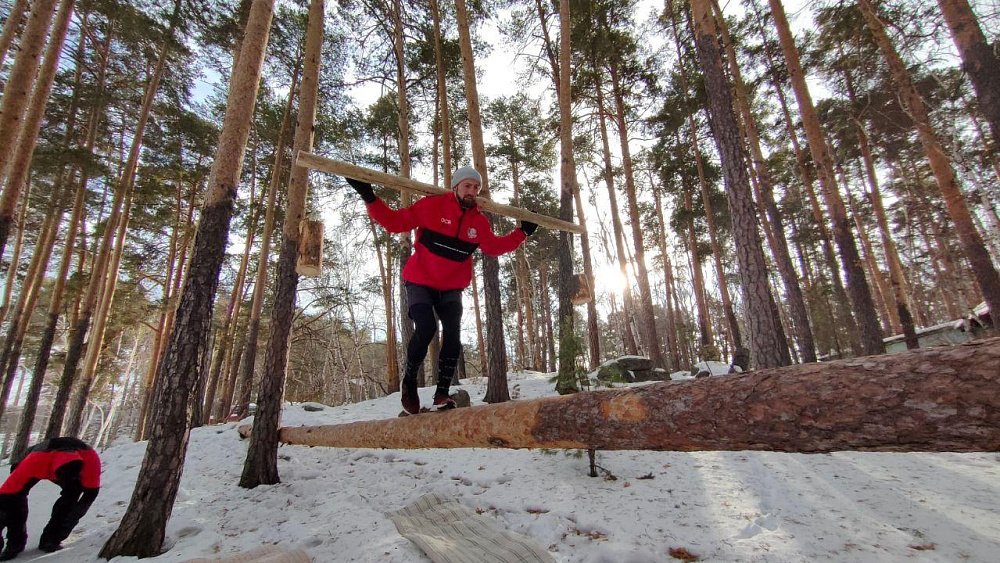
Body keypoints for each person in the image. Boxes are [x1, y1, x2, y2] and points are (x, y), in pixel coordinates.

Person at [347, 166, 537, 414]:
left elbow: (494, 247)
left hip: (451, 288)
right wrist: (369, 196)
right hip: (420, 281)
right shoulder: (431, 206)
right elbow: (395, 222)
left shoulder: (479, 223)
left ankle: (442, 393)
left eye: (476, 187)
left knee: (453, 336)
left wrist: (523, 232)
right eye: (467, 186)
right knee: (426, 328)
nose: (472, 191)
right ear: (455, 187)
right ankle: (410, 381)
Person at [0, 437, 101, 560]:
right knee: (9, 499)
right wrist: (14, 543)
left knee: (71, 498)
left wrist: (60, 533)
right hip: (40, 457)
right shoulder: (33, 462)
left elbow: (86, 500)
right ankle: (17, 543)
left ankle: (50, 539)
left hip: (73, 461)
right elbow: (7, 497)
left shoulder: (90, 464)